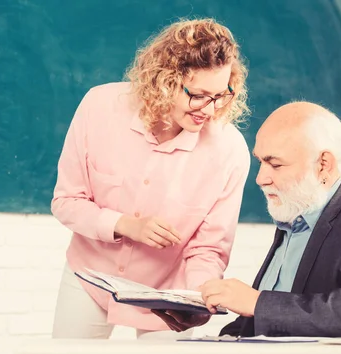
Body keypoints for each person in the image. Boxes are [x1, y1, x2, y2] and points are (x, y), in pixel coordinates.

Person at [50, 18, 251, 340]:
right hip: (90, 276)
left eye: (220, 95)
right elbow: (66, 202)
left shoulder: (229, 150)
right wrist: (126, 224)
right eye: (198, 95)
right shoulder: (99, 106)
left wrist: (198, 296)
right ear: (165, 81)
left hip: (170, 292)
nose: (210, 111)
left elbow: (208, 248)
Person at [154, 101, 341, 337]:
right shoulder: (297, 218)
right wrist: (220, 333)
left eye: (275, 165)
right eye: (260, 163)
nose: (260, 178)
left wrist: (256, 302)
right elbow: (273, 321)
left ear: (323, 164)